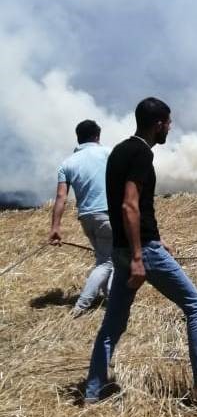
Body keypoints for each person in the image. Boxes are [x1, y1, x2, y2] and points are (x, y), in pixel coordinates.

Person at [84, 97, 197, 405]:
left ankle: (92, 392)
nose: (170, 127)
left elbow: (131, 206)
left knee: (113, 323)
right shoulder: (141, 153)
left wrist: (154, 237)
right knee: (196, 305)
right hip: (140, 252)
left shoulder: (119, 150)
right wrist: (142, 254)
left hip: (122, 249)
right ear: (158, 125)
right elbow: (128, 204)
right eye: (168, 122)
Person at [48, 120, 113, 318]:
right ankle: (82, 305)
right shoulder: (109, 153)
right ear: (97, 136)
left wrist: (55, 227)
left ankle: (111, 299)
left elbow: (61, 197)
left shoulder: (67, 163)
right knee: (108, 262)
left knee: (107, 258)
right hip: (108, 215)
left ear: (78, 138)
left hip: (86, 218)